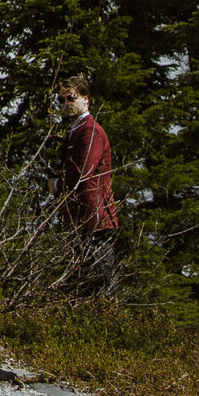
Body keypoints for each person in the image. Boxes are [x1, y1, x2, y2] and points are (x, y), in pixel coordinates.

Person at [55, 75, 117, 286]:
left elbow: (83, 173)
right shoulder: (76, 131)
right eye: (61, 100)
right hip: (80, 220)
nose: (66, 105)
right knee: (81, 286)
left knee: (100, 285)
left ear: (85, 99)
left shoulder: (90, 131)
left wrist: (56, 185)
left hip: (94, 220)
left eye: (71, 98)